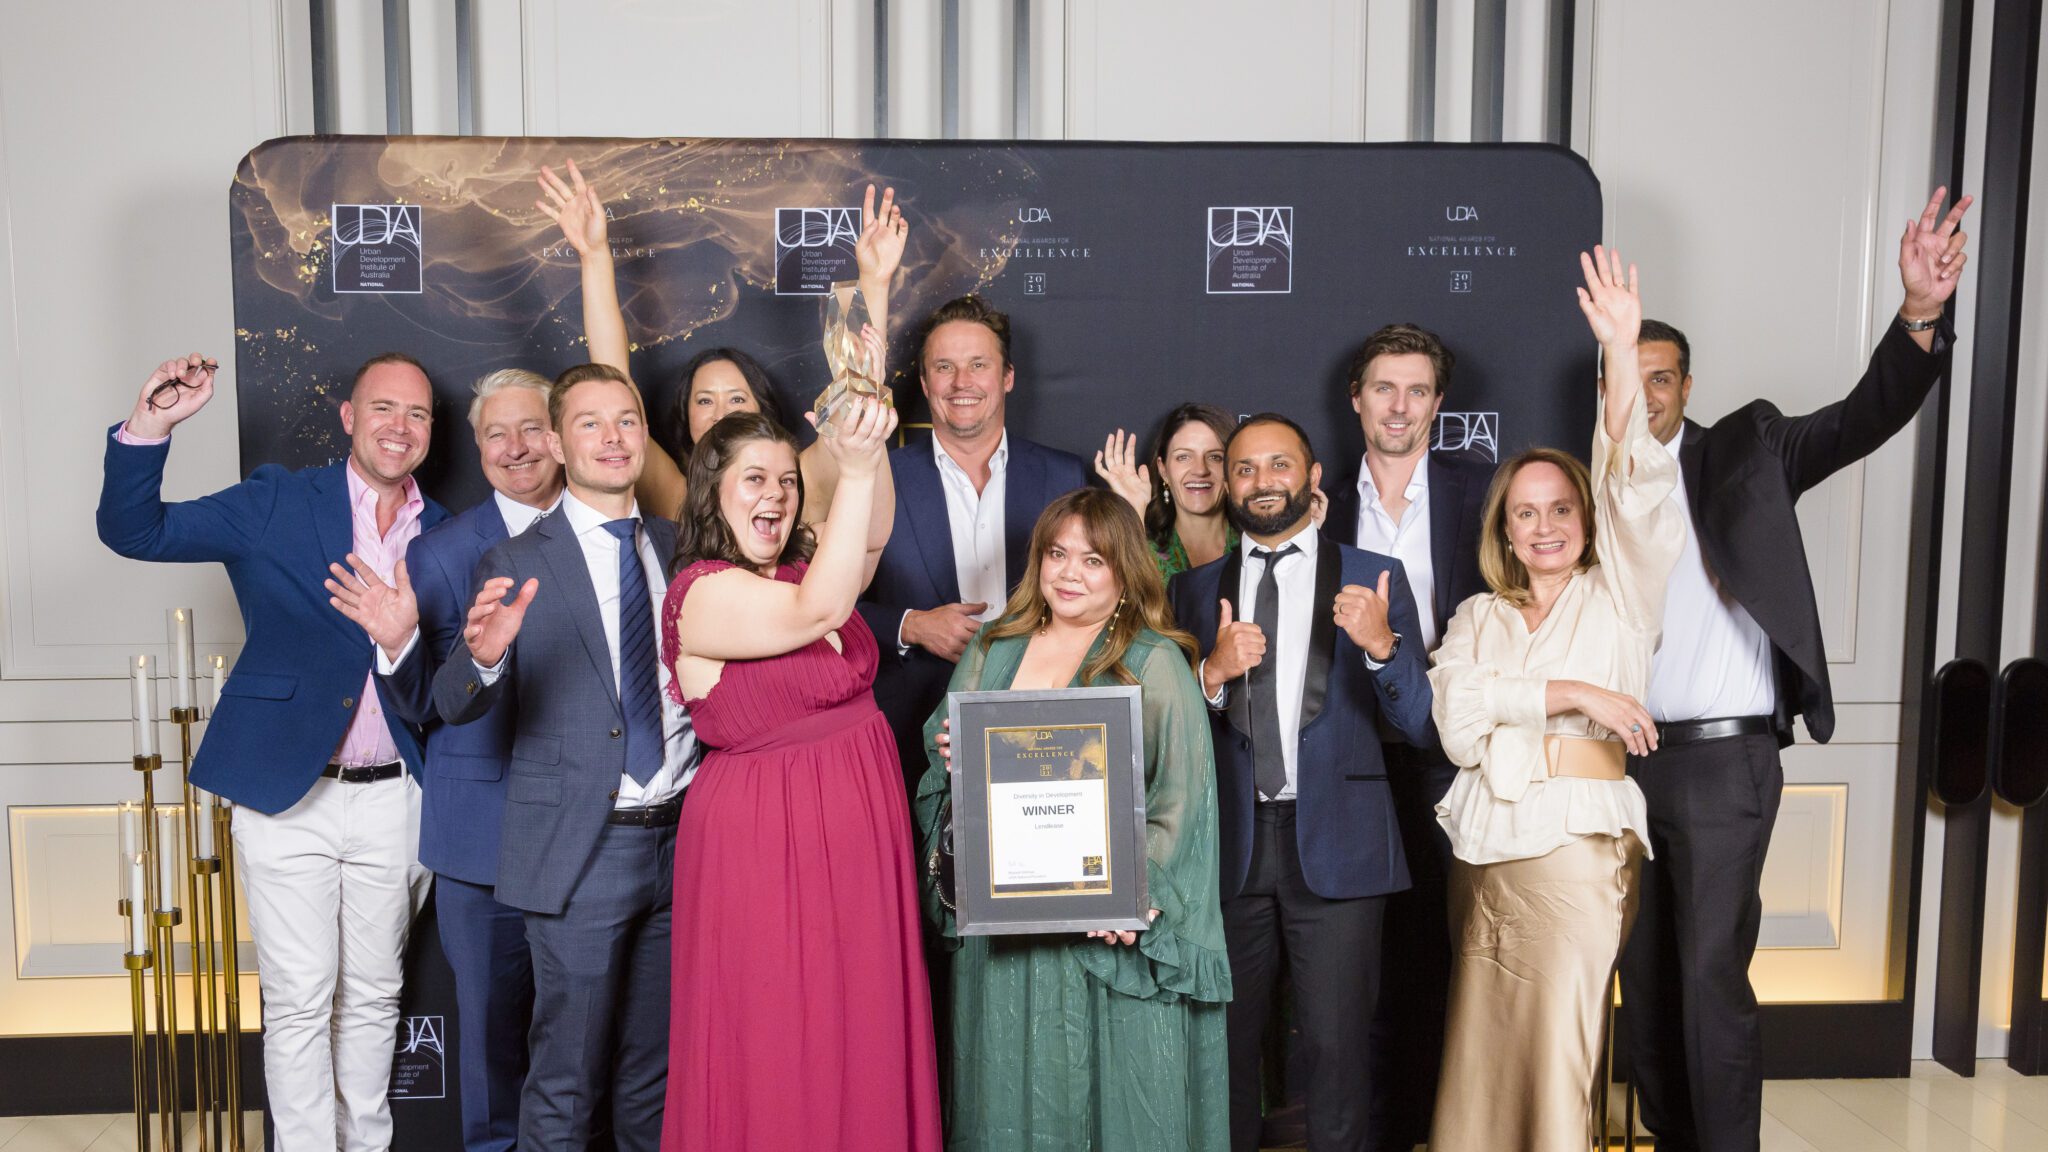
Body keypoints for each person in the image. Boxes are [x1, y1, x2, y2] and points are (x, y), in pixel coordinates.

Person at [1619, 187, 1972, 1152]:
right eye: (1629, 378)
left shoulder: (1751, 449)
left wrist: (1920, 314)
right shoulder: (1584, 487)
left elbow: (1862, 417)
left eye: (1662, 378)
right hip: (1621, 766)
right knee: (1643, 984)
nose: (1646, 396)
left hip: (1723, 766)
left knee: (1707, 978)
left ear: (1686, 386)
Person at [98, 351, 448, 1152]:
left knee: (374, 997)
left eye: (418, 414)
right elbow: (135, 531)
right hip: (290, 793)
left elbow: (453, 677)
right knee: (299, 1000)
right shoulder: (278, 501)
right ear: (349, 418)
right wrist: (151, 426)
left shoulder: (450, 531)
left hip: (397, 797)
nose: (400, 427)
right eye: (383, 408)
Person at [1424, 247, 1678, 1151]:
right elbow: (1455, 724)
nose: (1544, 526)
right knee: (1482, 1048)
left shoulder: (1622, 594)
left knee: (1561, 1050)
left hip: (1578, 850)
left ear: (1584, 518)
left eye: (1561, 508)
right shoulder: (1478, 615)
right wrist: (1568, 693)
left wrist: (1619, 353)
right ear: (1504, 527)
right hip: (1483, 850)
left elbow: (1631, 485)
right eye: (1525, 512)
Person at [658, 377, 937, 1150]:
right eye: (755, 478)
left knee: (859, 1027)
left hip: (859, 839)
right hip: (766, 845)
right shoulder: (700, 593)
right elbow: (820, 611)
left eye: (787, 479)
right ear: (712, 494)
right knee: (778, 1033)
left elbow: (869, 539)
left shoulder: (803, 570)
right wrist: (851, 468)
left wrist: (867, 450)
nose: (776, 494)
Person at [432, 363, 701, 1152]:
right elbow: (451, 701)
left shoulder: (681, 548)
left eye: (626, 421)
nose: (612, 438)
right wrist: (482, 659)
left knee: (654, 1077)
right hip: (585, 849)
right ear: (556, 443)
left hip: (685, 840)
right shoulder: (517, 559)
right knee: (566, 1079)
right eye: (590, 423)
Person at [915, 487, 1232, 1151]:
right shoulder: (994, 648)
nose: (1069, 573)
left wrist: (1136, 896)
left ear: (1124, 571)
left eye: (1093, 560)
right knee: (1011, 1097)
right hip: (1006, 935)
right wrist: (951, 756)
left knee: (1117, 1105)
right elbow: (945, 767)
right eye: (1057, 554)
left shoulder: (1153, 660)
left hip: (1106, 939)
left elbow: (1183, 799)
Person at [1168, 413, 1434, 1152]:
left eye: (1279, 465)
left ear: (1312, 478)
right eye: (1245, 468)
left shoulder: (1375, 575)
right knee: (1222, 1049)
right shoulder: (1191, 593)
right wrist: (1211, 675)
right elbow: (1164, 734)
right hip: (1228, 849)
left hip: (1341, 847)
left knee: (1337, 1053)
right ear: (1227, 484)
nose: (1262, 482)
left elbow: (1421, 723)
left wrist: (1381, 647)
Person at [325, 368, 564, 1152]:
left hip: (592, 836)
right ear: (477, 446)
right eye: (495, 433)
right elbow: (419, 706)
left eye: (531, 428)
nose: (515, 447)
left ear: (561, 436)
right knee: (490, 1050)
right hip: (479, 840)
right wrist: (398, 645)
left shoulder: (613, 535)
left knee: (585, 1047)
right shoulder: (437, 554)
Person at [1320, 321, 1493, 1148]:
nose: (1400, 405)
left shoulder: (1481, 490)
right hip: (1347, 753)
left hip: (1447, 759)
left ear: (1438, 403)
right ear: (1356, 399)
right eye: (1384, 388)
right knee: (1356, 962)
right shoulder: (1320, 504)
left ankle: (1434, 1128)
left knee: (1441, 952)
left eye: (1417, 390)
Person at [535, 158, 908, 522]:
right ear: (687, 419)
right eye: (704, 400)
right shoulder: (677, 498)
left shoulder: (800, 484)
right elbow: (613, 381)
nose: (721, 413)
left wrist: (874, 281)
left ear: (762, 413)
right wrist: (594, 255)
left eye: (737, 398)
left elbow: (857, 397)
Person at [859, 293, 1093, 797]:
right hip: (911, 736)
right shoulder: (877, 477)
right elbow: (830, 605)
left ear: (1007, 377)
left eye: (978, 365)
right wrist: (912, 625)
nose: (961, 382)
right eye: (944, 367)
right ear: (925, 384)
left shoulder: (1064, 476)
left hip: (1045, 731)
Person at [1093, 404, 1238, 578]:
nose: (1200, 470)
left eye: (1215, 457)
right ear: (1163, 470)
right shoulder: (1143, 540)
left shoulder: (1255, 545)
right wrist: (1133, 514)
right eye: (1183, 457)